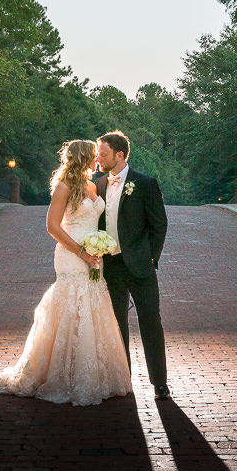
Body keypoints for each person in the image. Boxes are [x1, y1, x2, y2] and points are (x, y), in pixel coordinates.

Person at [0, 140, 132, 406]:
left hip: (94, 256)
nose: (98, 160)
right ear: (84, 158)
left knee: (92, 305)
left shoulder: (93, 185)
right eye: (94, 156)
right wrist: (82, 252)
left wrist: (99, 248)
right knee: (71, 304)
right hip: (71, 254)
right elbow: (52, 227)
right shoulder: (64, 187)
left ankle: (92, 373)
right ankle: (60, 374)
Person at [95, 130, 170, 400]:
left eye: (102, 153)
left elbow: (159, 224)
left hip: (141, 267)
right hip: (110, 267)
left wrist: (150, 257)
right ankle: (123, 380)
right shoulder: (96, 183)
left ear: (120, 155)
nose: (98, 158)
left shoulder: (146, 184)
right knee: (116, 324)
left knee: (151, 321)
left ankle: (159, 383)